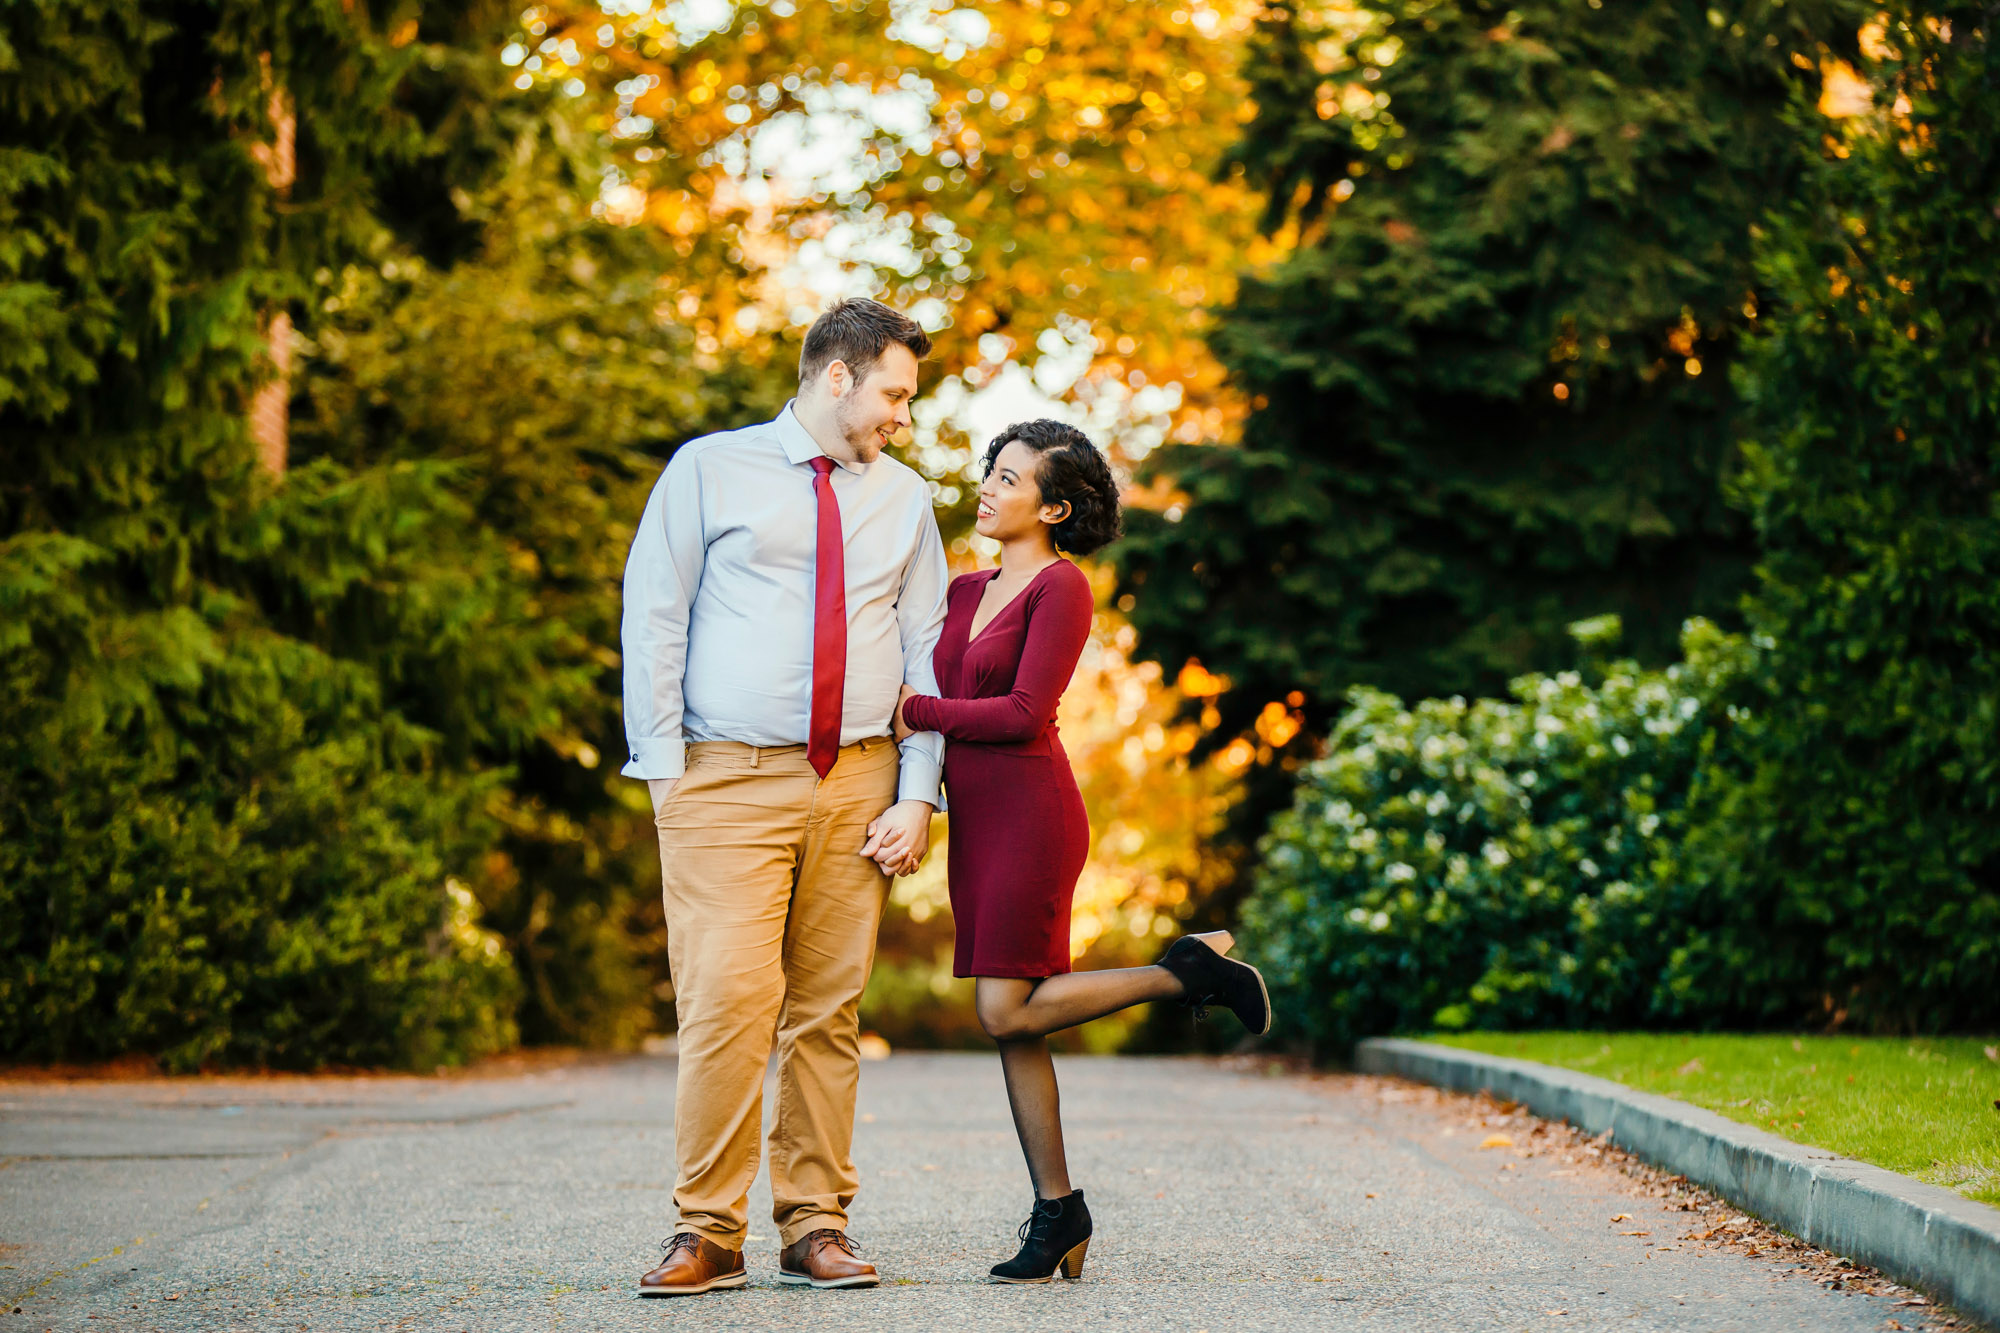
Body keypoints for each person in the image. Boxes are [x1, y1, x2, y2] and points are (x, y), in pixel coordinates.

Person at [892, 419, 1272, 1284]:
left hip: (1032, 812)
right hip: (977, 824)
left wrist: (916, 710)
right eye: (990, 470)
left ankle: (1186, 976)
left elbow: (1024, 711)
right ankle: (1057, 1210)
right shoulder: (958, 592)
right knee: (1017, 1023)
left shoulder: (1061, 589)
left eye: (1012, 478)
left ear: (1055, 507)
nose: (989, 485)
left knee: (1002, 1009)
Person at [621, 298, 945, 1297]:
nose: (901, 414)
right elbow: (654, 612)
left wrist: (918, 794)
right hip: (724, 777)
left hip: (856, 782)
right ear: (836, 375)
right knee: (725, 1001)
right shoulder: (708, 469)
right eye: (893, 392)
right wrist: (666, 773)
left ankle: (816, 1222)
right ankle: (706, 1230)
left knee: (827, 1010)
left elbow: (929, 653)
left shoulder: (905, 500)